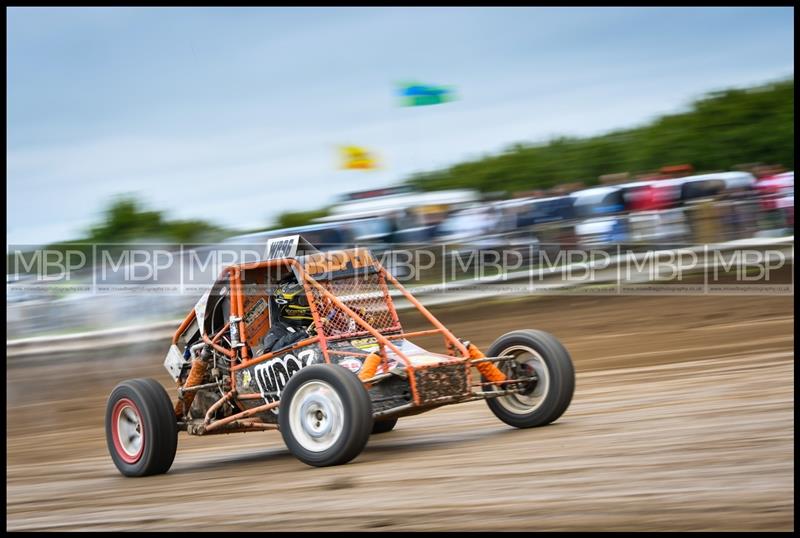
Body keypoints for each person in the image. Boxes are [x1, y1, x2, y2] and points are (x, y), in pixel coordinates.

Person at [260, 275, 315, 354]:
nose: (312, 302)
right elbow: (273, 352)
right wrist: (305, 333)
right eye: (305, 299)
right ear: (288, 304)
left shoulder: (317, 320)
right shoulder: (277, 329)